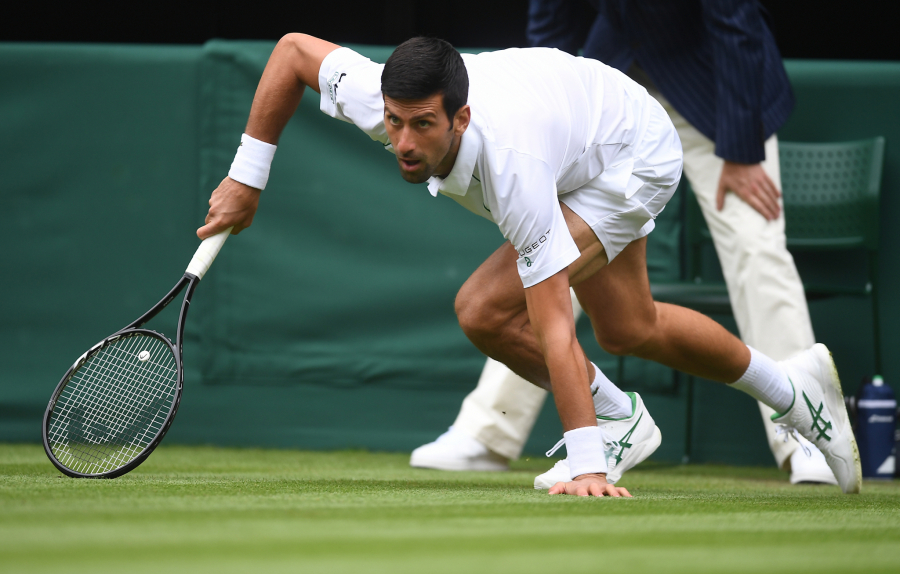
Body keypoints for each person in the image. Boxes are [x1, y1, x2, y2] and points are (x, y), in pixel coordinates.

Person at [197, 32, 860, 496]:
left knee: (485, 308)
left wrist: (589, 464)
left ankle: (618, 426)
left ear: (460, 116)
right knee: (632, 326)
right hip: (582, 125)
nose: (402, 142)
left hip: (631, 152)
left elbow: (552, 326)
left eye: (423, 125)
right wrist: (247, 180)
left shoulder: (513, 167)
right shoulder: (382, 97)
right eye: (394, 122)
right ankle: (794, 391)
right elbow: (290, 53)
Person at [411, 0, 838, 487]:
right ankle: (488, 432)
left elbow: (736, 22)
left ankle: (805, 425)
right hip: (607, 97)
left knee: (755, 244)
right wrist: (548, 127)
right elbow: (549, 32)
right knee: (550, 259)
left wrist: (743, 147)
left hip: (719, 94)